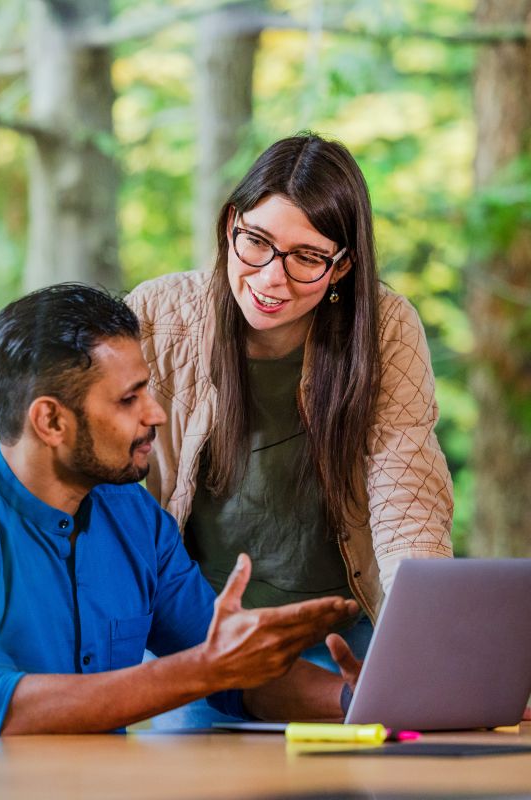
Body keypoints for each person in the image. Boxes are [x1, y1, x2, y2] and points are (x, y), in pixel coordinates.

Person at [0, 283, 365, 740]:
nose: (155, 414)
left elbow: (234, 676)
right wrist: (201, 669)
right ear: (50, 420)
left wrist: (356, 698)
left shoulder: (135, 518)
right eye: (129, 399)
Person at [126, 134, 454, 709]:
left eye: (307, 257)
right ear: (231, 224)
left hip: (342, 638)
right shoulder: (155, 317)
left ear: (343, 265)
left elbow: (409, 510)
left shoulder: (386, 331)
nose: (273, 278)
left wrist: (430, 666)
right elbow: (116, 501)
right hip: (202, 640)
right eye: (256, 242)